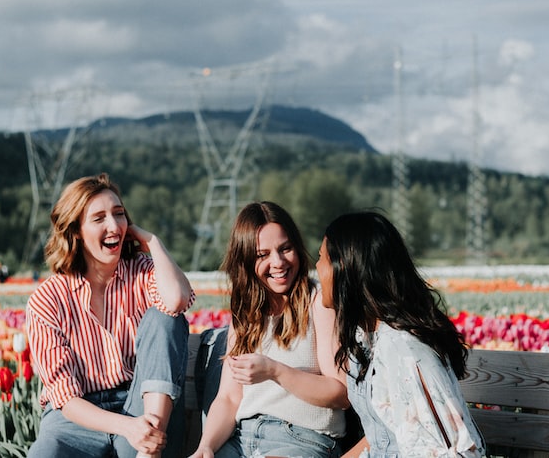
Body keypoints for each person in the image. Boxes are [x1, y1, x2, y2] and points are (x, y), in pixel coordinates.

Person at [25, 173, 195, 458]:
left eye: (119, 214)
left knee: (164, 317)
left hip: (142, 405)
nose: (114, 225)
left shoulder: (141, 271)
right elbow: (65, 398)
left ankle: (149, 451)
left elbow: (177, 301)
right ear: (76, 230)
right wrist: (127, 428)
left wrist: (152, 241)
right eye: (99, 218)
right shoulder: (48, 299)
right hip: (77, 421)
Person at [317, 211, 486, 458]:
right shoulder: (368, 338)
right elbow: (382, 436)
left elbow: (443, 451)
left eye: (321, 258)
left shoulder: (403, 350)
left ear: (344, 266)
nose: (317, 267)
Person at [188, 201, 348, 458]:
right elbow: (229, 399)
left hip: (301, 439)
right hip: (242, 440)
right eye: (262, 255)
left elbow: (341, 392)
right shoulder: (247, 312)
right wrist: (206, 447)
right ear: (245, 261)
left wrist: (275, 371)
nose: (278, 262)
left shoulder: (317, 299)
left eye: (286, 249)